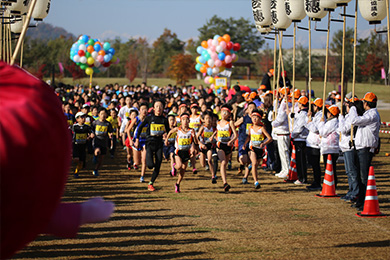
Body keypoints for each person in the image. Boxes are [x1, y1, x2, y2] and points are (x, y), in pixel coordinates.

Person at [349, 92, 380, 211]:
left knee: (364, 177)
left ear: (367, 103)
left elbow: (354, 120)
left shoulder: (372, 115)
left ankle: (365, 201)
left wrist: (352, 108)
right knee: (360, 176)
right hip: (361, 147)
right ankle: (361, 200)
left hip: (366, 149)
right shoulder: (369, 114)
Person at [134, 100, 170, 191]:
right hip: (149, 143)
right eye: (157, 106)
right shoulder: (149, 118)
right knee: (150, 165)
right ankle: (148, 176)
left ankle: (151, 183)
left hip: (159, 144)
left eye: (160, 106)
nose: (159, 108)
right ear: (153, 108)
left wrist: (166, 137)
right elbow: (140, 127)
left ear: (163, 108)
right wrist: (137, 139)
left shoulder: (164, 120)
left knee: (158, 165)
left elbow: (168, 131)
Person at [165, 113, 198, 193]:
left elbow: (196, 142)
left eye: (187, 120)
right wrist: (166, 140)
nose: (185, 121)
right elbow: (170, 132)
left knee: (183, 170)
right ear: (181, 121)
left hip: (187, 152)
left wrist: (194, 137)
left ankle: (177, 184)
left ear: (189, 121)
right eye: (183, 120)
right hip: (178, 151)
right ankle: (174, 166)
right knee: (179, 166)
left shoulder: (191, 130)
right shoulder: (178, 129)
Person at [243, 109, 273, 189]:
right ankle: (256, 182)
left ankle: (246, 175)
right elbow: (249, 137)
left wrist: (264, 143)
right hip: (252, 148)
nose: (254, 119)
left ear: (260, 119)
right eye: (253, 117)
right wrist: (245, 144)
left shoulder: (262, 128)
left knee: (255, 165)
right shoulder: (250, 127)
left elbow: (270, 138)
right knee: (254, 163)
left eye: (256, 118)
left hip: (260, 149)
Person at [338, 98, 360, 202]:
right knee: (348, 171)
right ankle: (351, 190)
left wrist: (341, 119)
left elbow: (344, 129)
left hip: (350, 146)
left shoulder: (353, 117)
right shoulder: (347, 116)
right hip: (345, 146)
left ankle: (355, 192)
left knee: (352, 171)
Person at [216, 104, 237, 192]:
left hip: (228, 145)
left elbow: (236, 135)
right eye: (223, 112)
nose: (224, 114)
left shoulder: (230, 123)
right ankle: (225, 183)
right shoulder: (217, 122)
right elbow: (216, 132)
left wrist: (231, 141)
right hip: (220, 145)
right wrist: (214, 138)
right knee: (223, 162)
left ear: (229, 114)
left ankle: (225, 180)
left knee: (225, 163)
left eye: (226, 112)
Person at [318, 105, 340, 187]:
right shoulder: (335, 121)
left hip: (329, 148)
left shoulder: (331, 123)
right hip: (331, 147)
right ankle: (331, 183)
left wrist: (321, 123)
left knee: (329, 168)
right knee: (331, 167)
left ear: (330, 114)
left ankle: (331, 184)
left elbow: (323, 132)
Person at [289, 96, 309, 185]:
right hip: (298, 138)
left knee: (301, 160)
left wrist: (292, 135)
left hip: (301, 138)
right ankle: (301, 177)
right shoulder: (301, 114)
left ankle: (302, 178)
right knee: (299, 160)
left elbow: (299, 127)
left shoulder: (304, 114)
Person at [235, 102, 256, 183]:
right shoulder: (244, 118)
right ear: (247, 110)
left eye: (254, 108)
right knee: (243, 160)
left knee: (249, 161)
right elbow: (234, 124)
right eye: (250, 107)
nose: (252, 109)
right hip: (242, 140)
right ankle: (242, 165)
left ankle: (245, 177)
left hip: (252, 142)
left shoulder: (256, 119)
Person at [272, 87, 291, 179]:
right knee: (282, 153)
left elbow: (281, 118)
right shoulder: (283, 102)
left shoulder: (285, 104)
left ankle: (287, 170)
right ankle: (284, 169)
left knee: (284, 153)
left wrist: (273, 123)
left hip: (283, 131)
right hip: (280, 132)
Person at [306, 98, 324, 191]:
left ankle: (317, 182)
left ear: (317, 107)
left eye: (313, 106)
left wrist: (309, 121)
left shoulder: (320, 116)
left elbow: (315, 129)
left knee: (315, 165)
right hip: (311, 143)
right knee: (313, 165)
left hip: (315, 144)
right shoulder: (316, 115)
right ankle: (315, 181)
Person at [91, 107, 114, 176]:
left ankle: (96, 169)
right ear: (98, 114)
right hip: (96, 141)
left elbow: (111, 131)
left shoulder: (108, 124)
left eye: (104, 114)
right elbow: (91, 130)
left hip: (104, 142)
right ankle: (95, 157)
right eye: (101, 114)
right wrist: (91, 134)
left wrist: (110, 134)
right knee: (97, 151)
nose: (103, 115)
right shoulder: (95, 123)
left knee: (101, 159)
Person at [197, 111, 217, 183]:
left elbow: (216, 137)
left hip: (209, 146)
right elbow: (196, 137)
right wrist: (201, 144)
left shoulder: (214, 128)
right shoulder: (203, 128)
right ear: (204, 120)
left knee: (209, 160)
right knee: (203, 165)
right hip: (203, 146)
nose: (208, 120)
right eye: (206, 118)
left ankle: (213, 176)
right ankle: (200, 156)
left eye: (209, 118)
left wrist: (214, 139)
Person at [71, 112, 91, 178]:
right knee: (76, 159)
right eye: (81, 117)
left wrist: (90, 136)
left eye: (84, 117)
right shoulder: (74, 127)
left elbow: (91, 133)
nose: (83, 119)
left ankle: (76, 172)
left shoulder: (87, 127)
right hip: (76, 145)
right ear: (77, 119)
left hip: (83, 145)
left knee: (81, 161)